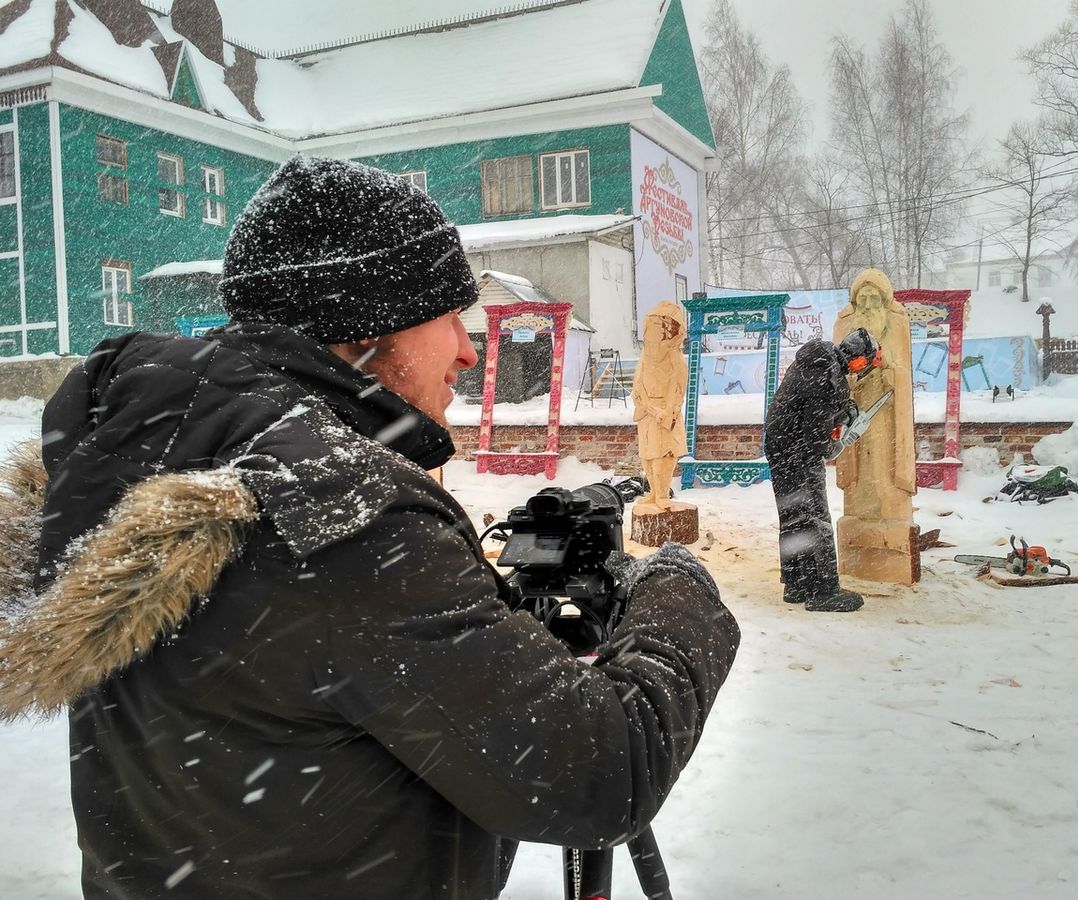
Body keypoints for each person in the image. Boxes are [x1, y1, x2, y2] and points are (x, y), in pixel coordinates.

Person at [0, 156, 740, 899]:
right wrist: (678, 589)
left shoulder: (145, 454)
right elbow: (602, 773)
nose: (467, 349)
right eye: (448, 315)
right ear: (365, 326)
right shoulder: (345, 515)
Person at [764, 330, 879, 612]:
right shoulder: (830, 379)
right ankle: (824, 591)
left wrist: (841, 412)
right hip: (798, 452)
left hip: (780, 446)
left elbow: (808, 407)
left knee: (794, 516)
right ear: (856, 361)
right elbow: (817, 437)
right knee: (817, 518)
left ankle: (797, 584)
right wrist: (834, 444)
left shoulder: (816, 360)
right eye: (864, 363)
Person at [833, 268, 919, 584]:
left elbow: (904, 370)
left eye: (874, 297)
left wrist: (888, 371)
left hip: (885, 411)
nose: (868, 304)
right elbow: (837, 370)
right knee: (860, 468)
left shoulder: (897, 323)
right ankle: (863, 516)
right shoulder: (844, 324)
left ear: (884, 299)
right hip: (855, 403)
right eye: (863, 298)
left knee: (884, 465)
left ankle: (887, 516)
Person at [631, 300, 688, 512]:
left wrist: (667, 411)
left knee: (663, 456)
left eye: (658, 328)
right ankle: (653, 492)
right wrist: (645, 404)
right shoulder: (644, 358)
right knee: (647, 455)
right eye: (650, 327)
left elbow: (677, 391)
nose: (652, 333)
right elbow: (637, 385)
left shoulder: (675, 359)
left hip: (665, 413)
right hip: (646, 413)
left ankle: (663, 494)